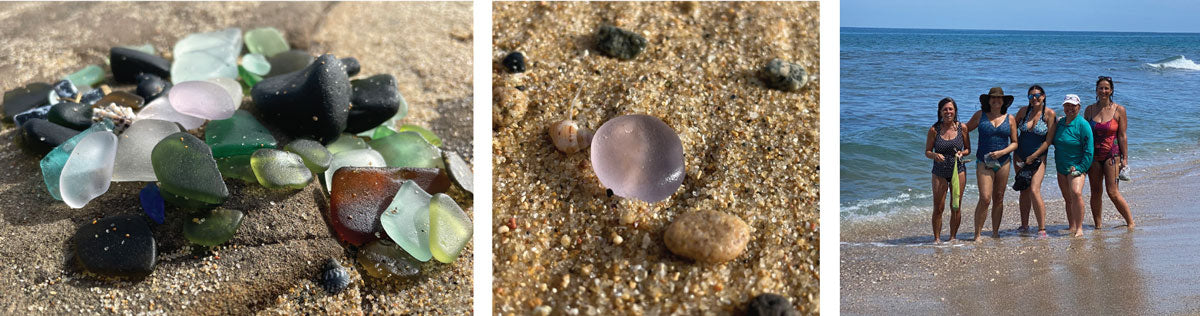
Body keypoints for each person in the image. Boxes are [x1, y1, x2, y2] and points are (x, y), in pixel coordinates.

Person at [965, 87, 1018, 240]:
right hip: (984, 161)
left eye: (999, 98)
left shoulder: (1010, 118)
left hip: (1004, 161)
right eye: (993, 98)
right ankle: (977, 234)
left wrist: (1002, 152)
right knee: (985, 198)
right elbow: (965, 129)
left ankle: (995, 232)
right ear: (988, 101)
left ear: (1004, 101)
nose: (996, 100)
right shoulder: (980, 115)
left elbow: (1015, 143)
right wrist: (965, 148)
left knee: (999, 197)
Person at [1085, 76, 1135, 230]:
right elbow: (1085, 134)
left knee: (1112, 192)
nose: (1103, 91)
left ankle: (1130, 222)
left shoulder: (1119, 110)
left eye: (1106, 88)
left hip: (1112, 156)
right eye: (1101, 88)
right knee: (1095, 192)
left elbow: (1122, 135)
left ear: (1111, 90)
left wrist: (1125, 159)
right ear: (1096, 90)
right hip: (1093, 156)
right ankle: (1098, 226)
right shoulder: (1089, 109)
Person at [1013, 85, 1056, 238]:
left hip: (1039, 158)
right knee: (1023, 189)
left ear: (1043, 96)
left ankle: (1042, 228)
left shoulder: (1049, 114)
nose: (1034, 99)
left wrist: (1034, 156)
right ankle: (1024, 225)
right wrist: (1014, 148)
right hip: (1019, 157)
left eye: (1037, 95)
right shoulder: (1023, 112)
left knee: (1034, 190)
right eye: (1031, 96)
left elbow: (1048, 141)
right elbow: (1012, 129)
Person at [925, 97, 970, 243]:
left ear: (955, 111)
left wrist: (961, 153)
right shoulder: (934, 130)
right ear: (940, 112)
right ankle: (937, 239)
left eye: (950, 109)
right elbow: (927, 151)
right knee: (938, 207)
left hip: (958, 170)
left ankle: (952, 238)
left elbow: (968, 149)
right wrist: (934, 155)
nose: (948, 112)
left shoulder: (962, 128)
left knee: (955, 206)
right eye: (945, 109)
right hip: (939, 171)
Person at [1053, 94, 1093, 237]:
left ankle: (1080, 228)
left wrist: (1081, 168)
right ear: (1063, 107)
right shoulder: (1060, 123)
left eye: (1073, 106)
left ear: (1079, 107)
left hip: (1077, 166)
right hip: (1061, 166)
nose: (1070, 108)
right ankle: (1071, 226)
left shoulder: (1083, 125)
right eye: (1067, 105)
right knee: (1067, 198)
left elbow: (1089, 150)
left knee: (1076, 193)